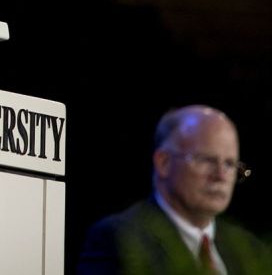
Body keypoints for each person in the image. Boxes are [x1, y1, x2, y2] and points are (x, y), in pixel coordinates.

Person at [77, 104, 272, 274]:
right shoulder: (120, 240)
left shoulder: (250, 250)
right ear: (164, 162)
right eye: (206, 160)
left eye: (229, 164)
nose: (221, 176)